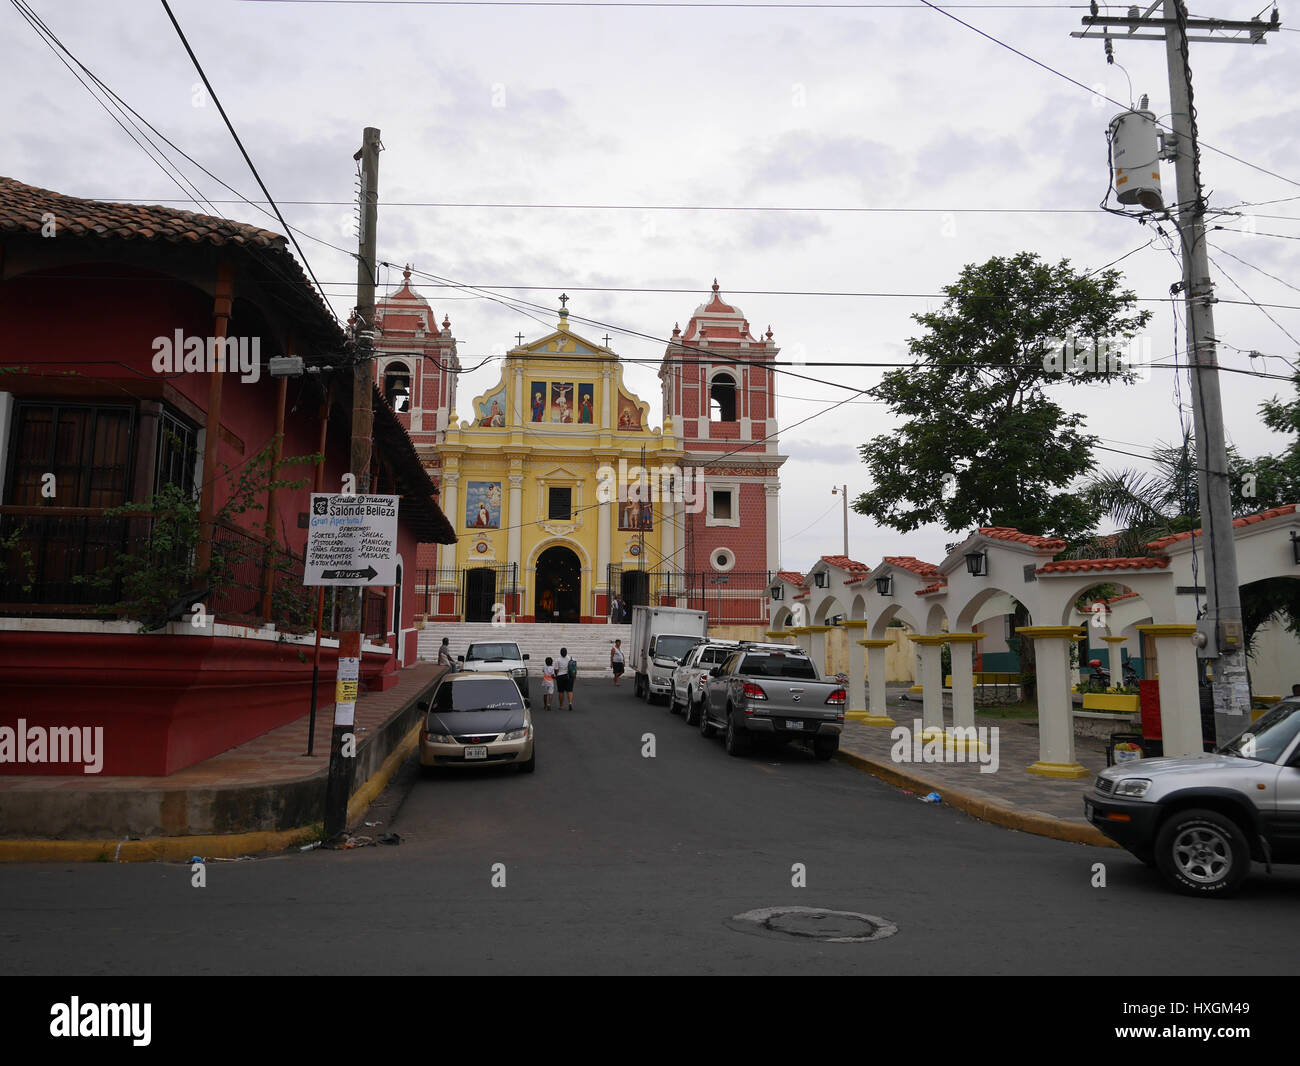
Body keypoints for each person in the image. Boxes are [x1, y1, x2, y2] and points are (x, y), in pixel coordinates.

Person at [555, 646, 575, 710]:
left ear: (560, 653)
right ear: (566, 652)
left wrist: (557, 675)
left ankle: (561, 705)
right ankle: (570, 703)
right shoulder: (571, 659)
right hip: (569, 676)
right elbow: (574, 668)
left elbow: (556, 669)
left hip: (560, 676)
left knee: (561, 692)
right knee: (570, 690)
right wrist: (574, 676)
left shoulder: (557, 660)